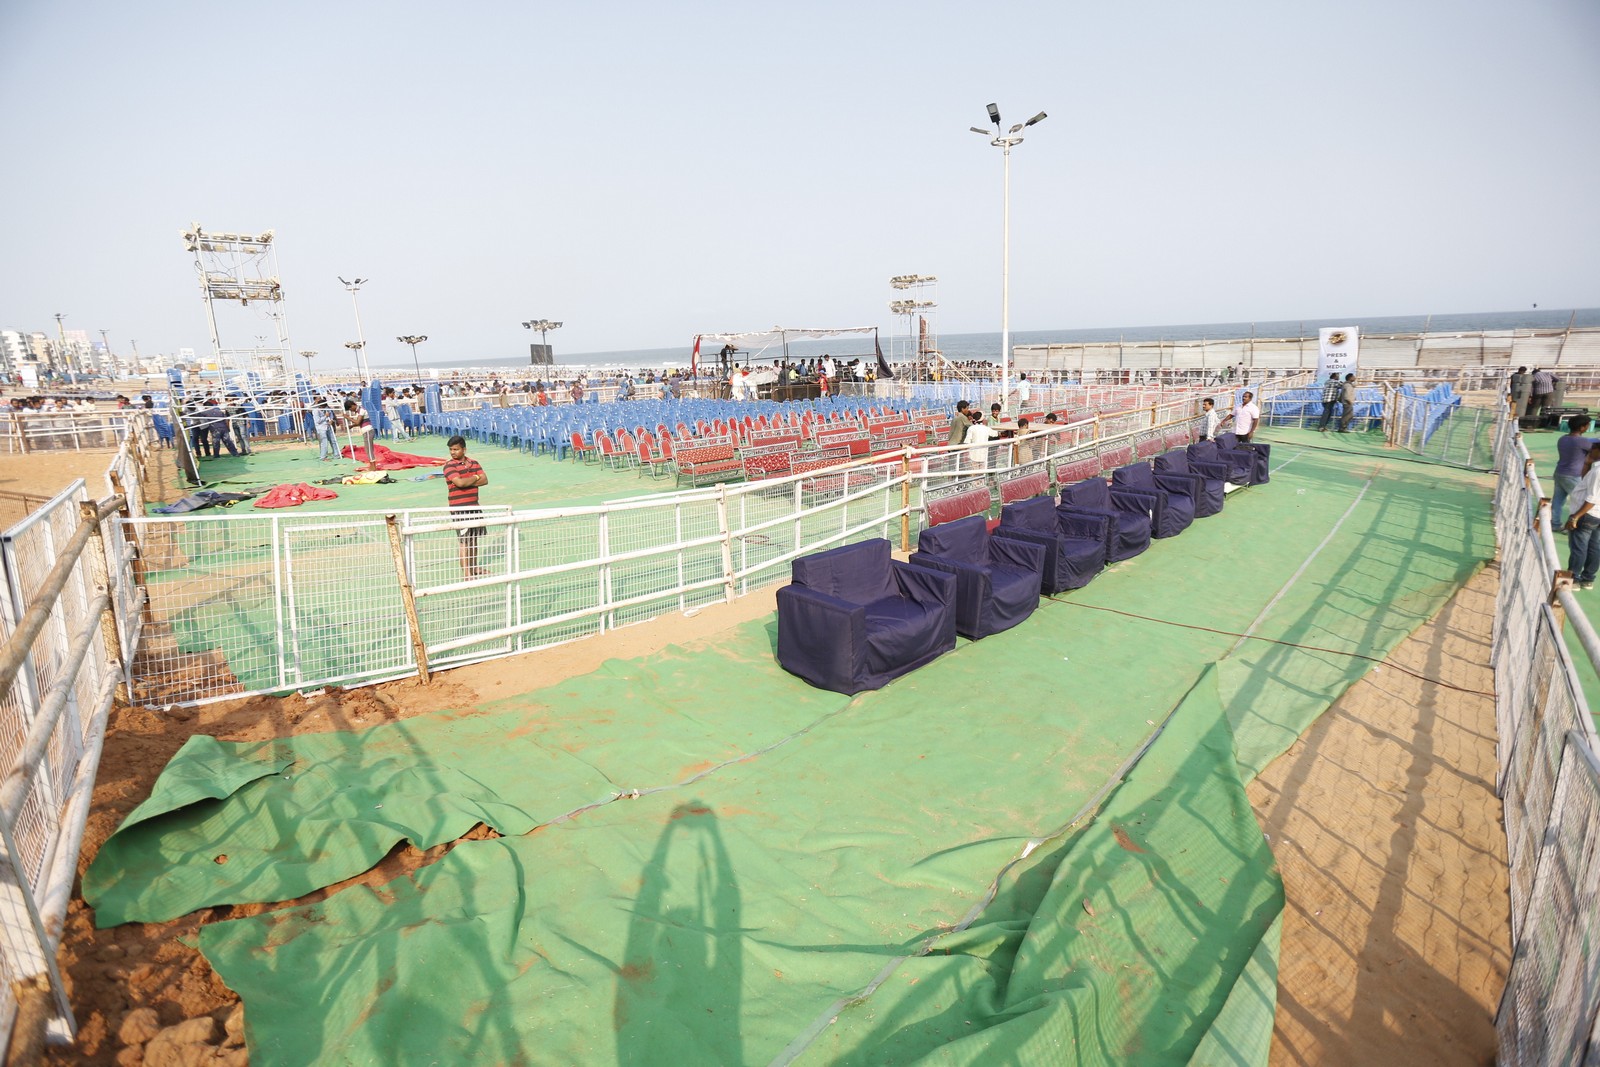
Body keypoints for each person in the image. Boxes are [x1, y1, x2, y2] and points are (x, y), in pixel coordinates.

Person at [443, 434, 489, 578]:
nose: (453, 452)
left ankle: (474, 568)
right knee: (464, 541)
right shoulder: (449, 466)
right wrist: (475, 477)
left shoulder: (474, 463)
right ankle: (467, 573)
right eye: (451, 449)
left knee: (473, 539)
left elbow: (485, 480)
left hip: (474, 506)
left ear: (464, 449)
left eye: (456, 449)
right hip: (459, 509)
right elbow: (460, 483)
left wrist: (467, 481)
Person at [1553, 415, 1594, 525]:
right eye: (1587, 425)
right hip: (1573, 475)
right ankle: (1575, 524)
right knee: (1580, 501)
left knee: (1558, 501)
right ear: (1582, 427)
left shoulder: (1563, 438)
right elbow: (1594, 448)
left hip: (1559, 472)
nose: (1588, 427)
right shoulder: (1582, 441)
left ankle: (1555, 524)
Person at [344, 400, 376, 465]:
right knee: (367, 449)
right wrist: (352, 426)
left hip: (368, 431)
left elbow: (358, 422)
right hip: (366, 431)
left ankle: (373, 465)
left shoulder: (361, 410)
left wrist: (348, 418)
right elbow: (361, 422)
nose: (351, 411)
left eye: (350, 409)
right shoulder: (358, 411)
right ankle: (372, 464)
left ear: (352, 405)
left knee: (369, 449)